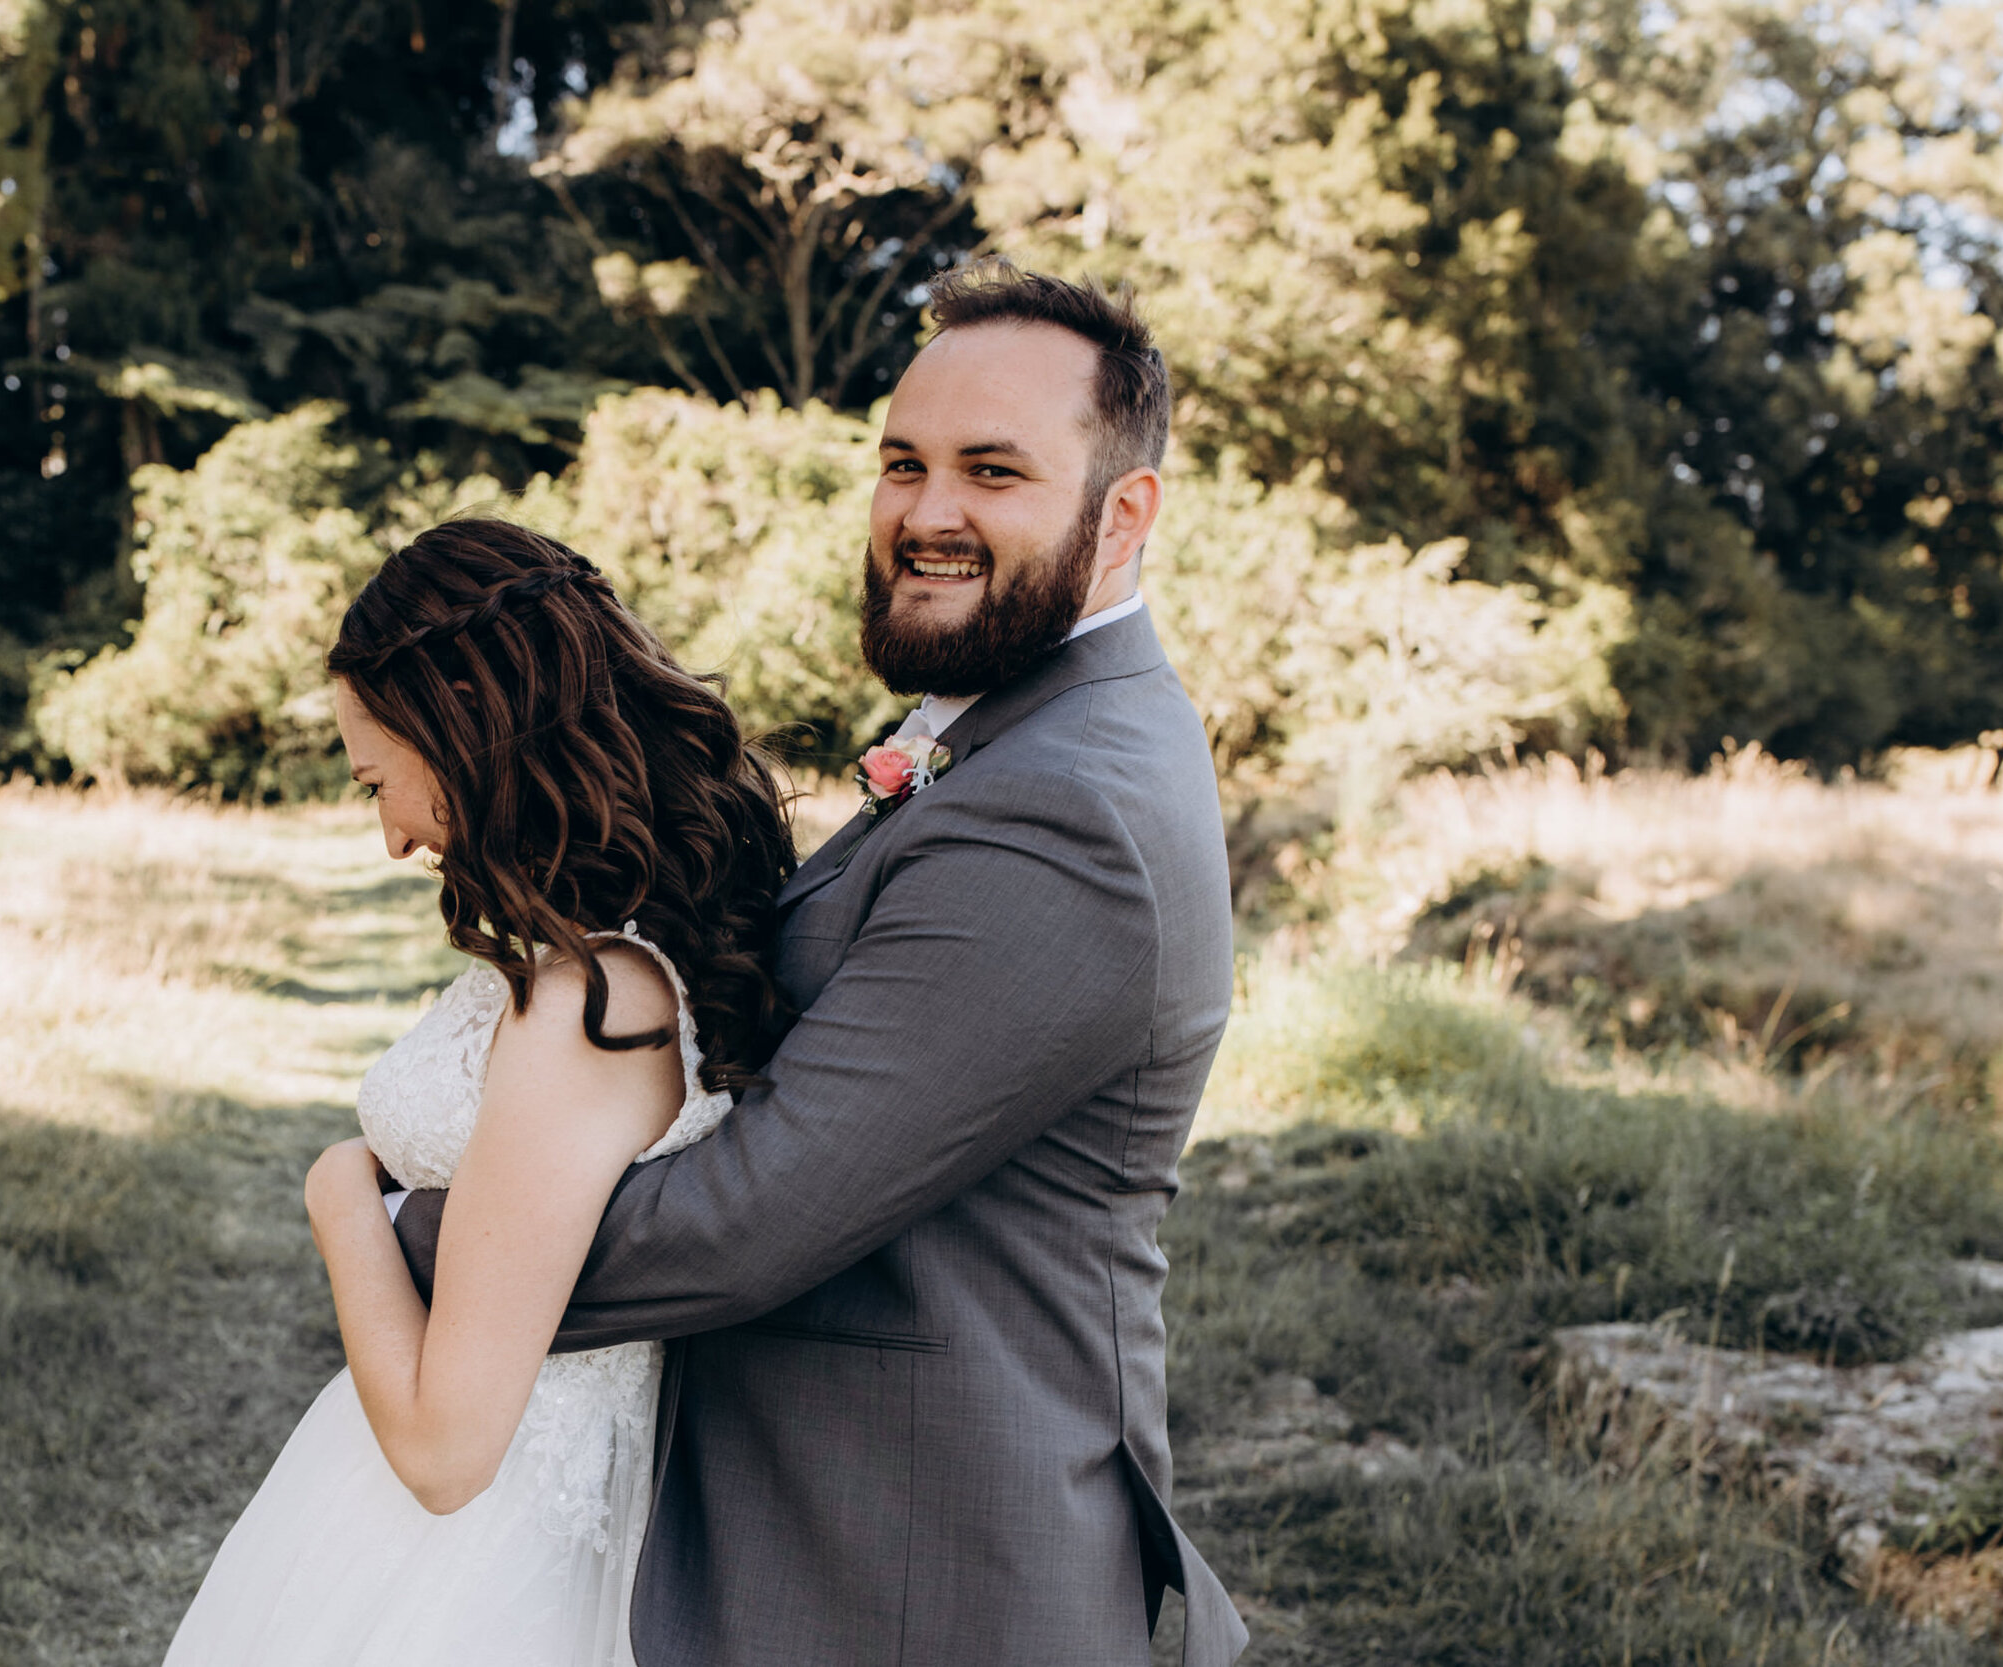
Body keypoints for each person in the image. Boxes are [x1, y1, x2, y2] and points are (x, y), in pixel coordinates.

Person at [398, 259, 1249, 1666]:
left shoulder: (1068, 806)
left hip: (917, 1583)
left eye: (993, 470)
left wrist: (423, 1231)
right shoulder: (1012, 726)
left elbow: (752, 1215)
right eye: (902, 463)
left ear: (1126, 512)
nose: (927, 513)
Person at [160, 517, 797, 1667]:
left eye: (377, 783)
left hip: (477, 1562)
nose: (393, 837)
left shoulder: (594, 1007)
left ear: (466, 723)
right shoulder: (595, 964)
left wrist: (340, 1195)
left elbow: (449, 1447)